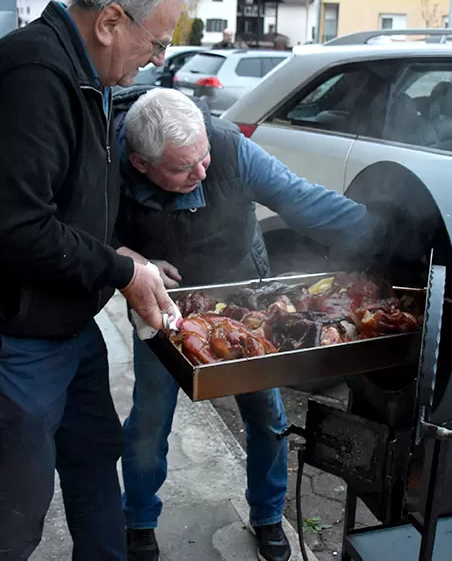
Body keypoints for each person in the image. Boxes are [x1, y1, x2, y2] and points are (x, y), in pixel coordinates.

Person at [0, 0, 192, 561]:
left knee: (96, 459)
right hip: (7, 327)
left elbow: (58, 206)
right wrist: (119, 269)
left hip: (63, 320)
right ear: (110, 22)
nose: (159, 57)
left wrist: (116, 252)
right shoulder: (36, 77)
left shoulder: (80, 72)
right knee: (20, 506)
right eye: (156, 42)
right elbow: (14, 226)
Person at [112, 87, 380, 561]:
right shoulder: (106, 164)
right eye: (180, 168)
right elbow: (79, 230)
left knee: (267, 413)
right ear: (140, 163)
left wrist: (383, 237)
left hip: (241, 286)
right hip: (159, 295)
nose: (200, 175)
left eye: (202, 159)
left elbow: (303, 200)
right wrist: (125, 259)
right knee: (150, 419)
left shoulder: (230, 149)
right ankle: (138, 521)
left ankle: (268, 516)